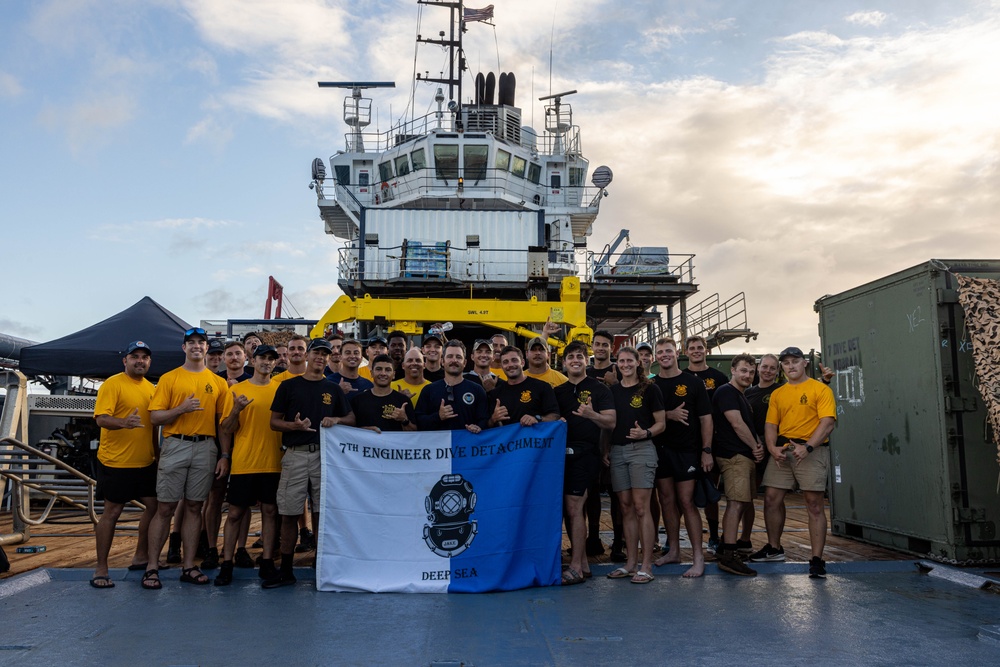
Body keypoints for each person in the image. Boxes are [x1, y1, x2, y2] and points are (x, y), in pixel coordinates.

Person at [144, 327, 233, 589]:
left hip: (206, 448)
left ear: (207, 348)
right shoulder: (170, 378)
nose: (196, 346)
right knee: (165, 508)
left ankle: (188, 566)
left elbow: (222, 424)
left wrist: (224, 454)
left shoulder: (218, 382)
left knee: (195, 507)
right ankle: (151, 566)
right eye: (191, 342)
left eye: (201, 342)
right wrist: (181, 409)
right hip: (176, 443)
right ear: (184, 348)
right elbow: (155, 417)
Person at [266, 338, 355, 588]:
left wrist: (336, 419)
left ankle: (320, 564)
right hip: (295, 453)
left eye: (326, 354)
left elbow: (351, 417)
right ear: (307, 355)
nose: (321, 357)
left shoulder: (333, 388)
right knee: (288, 513)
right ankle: (286, 568)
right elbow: (274, 422)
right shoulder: (288, 386)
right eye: (317, 352)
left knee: (321, 513)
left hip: (324, 455)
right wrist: (293, 426)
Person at [750, 347, 837, 578]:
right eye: (786, 363)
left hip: (811, 450)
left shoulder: (820, 389)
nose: (791, 366)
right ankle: (774, 548)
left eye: (795, 361)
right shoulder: (779, 393)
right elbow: (771, 424)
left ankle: (817, 559)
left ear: (804, 363)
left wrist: (808, 447)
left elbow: (827, 422)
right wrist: (771, 448)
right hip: (784, 450)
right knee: (771, 498)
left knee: (814, 504)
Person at [214, 345, 284, 586]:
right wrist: (236, 410)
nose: (266, 362)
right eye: (262, 357)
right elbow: (226, 428)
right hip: (244, 462)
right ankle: (226, 563)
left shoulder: (280, 389)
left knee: (270, 512)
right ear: (253, 360)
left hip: (273, 462)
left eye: (271, 359)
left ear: (275, 363)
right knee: (234, 513)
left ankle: (266, 562)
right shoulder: (237, 389)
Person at [90, 341, 158, 589]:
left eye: (145, 357)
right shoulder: (113, 383)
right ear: (125, 361)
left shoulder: (152, 388)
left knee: (155, 508)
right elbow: (101, 419)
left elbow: (152, 427)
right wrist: (124, 423)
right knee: (112, 513)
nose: (140, 361)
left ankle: (141, 556)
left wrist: (157, 455)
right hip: (115, 462)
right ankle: (101, 567)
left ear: (150, 362)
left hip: (145, 462)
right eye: (135, 356)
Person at [651, 338, 713, 577]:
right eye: (660, 352)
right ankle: (674, 550)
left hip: (687, 450)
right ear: (656, 357)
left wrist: (706, 451)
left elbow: (706, 418)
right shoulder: (652, 384)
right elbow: (647, 417)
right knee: (666, 500)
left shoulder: (692, 382)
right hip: (661, 449)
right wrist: (669, 414)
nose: (664, 355)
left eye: (668, 351)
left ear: (677, 353)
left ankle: (698, 557)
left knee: (687, 502)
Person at [555, 341, 616, 584]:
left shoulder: (599, 390)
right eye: (570, 357)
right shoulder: (558, 392)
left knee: (574, 508)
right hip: (560, 456)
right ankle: (583, 565)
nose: (575, 360)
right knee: (568, 511)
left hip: (586, 455)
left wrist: (591, 415)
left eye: (579, 356)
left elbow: (611, 422)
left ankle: (577, 567)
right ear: (564, 363)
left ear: (586, 360)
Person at [604, 346, 665, 585]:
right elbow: (609, 425)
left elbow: (661, 423)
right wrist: (606, 449)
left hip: (642, 450)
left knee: (642, 507)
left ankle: (646, 565)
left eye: (630, 360)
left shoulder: (650, 388)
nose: (626, 364)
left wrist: (646, 433)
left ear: (638, 362)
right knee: (626, 508)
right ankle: (630, 563)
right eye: (622, 360)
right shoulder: (612, 391)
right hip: (618, 451)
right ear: (617, 363)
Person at [712, 354, 765, 576]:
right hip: (734, 456)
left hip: (743, 456)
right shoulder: (726, 392)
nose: (747, 375)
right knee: (735, 503)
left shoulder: (741, 395)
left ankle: (727, 545)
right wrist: (755, 446)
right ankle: (729, 556)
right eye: (743, 370)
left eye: (751, 372)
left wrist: (756, 446)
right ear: (733, 370)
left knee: (742, 502)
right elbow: (736, 423)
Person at [684, 334, 729, 553]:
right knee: (683, 493)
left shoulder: (718, 377)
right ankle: (674, 537)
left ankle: (713, 536)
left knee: (711, 491)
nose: (696, 351)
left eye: (700, 347)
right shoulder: (681, 377)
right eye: (692, 348)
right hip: (688, 443)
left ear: (706, 351)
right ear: (686, 352)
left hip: (714, 443)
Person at [742, 353, 781, 552]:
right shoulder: (748, 393)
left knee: (773, 498)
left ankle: (774, 543)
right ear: (758, 368)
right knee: (748, 496)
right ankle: (745, 539)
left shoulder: (781, 391)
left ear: (777, 370)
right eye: (764, 367)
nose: (767, 371)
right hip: (753, 448)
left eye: (772, 368)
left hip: (774, 449)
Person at [414, 340, 489, 432]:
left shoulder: (477, 390)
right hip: (438, 445)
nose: (454, 360)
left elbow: (485, 420)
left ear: (464, 363)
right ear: (442, 361)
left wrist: (478, 426)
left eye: (458, 357)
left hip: (466, 445)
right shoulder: (429, 390)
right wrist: (438, 416)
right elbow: (418, 421)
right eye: (450, 356)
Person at [487, 346, 559, 428]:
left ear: (523, 363)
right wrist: (493, 419)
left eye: (514, 360)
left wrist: (537, 419)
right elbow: (486, 426)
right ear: (502, 366)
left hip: (535, 440)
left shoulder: (542, 387)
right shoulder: (495, 393)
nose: (510, 365)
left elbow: (555, 416)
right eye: (505, 362)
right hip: (509, 441)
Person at [351, 354, 417, 433]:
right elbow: (347, 431)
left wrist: (404, 420)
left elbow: (414, 434)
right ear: (371, 373)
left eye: (388, 370)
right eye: (379, 369)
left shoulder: (403, 401)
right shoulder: (358, 400)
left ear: (394, 374)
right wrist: (365, 431)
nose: (383, 373)